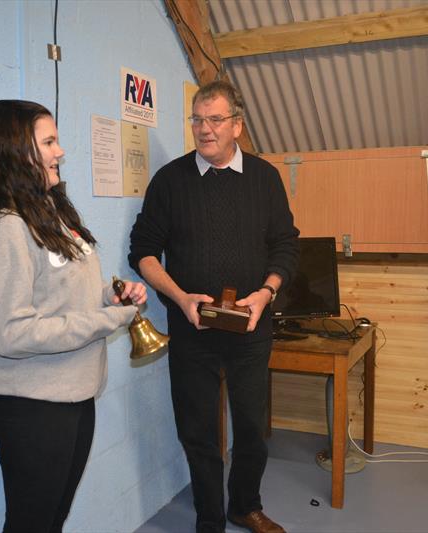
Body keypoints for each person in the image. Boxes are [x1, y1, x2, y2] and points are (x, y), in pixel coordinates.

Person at [0, 99, 147, 533]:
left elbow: (59, 290)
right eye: (49, 142)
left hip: (74, 393)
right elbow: (12, 333)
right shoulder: (2, 224)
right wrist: (109, 320)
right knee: (33, 523)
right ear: (14, 150)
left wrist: (110, 297)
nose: (60, 151)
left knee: (52, 519)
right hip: (34, 407)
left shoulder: (46, 209)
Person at [129, 81, 299, 533]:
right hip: (192, 332)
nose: (204, 130)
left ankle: (244, 504)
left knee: (249, 430)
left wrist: (265, 292)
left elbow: (285, 245)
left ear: (237, 126)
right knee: (198, 433)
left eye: (215, 120)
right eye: (197, 120)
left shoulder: (265, 178)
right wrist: (180, 297)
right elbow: (143, 250)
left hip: (250, 331)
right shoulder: (169, 181)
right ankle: (209, 518)